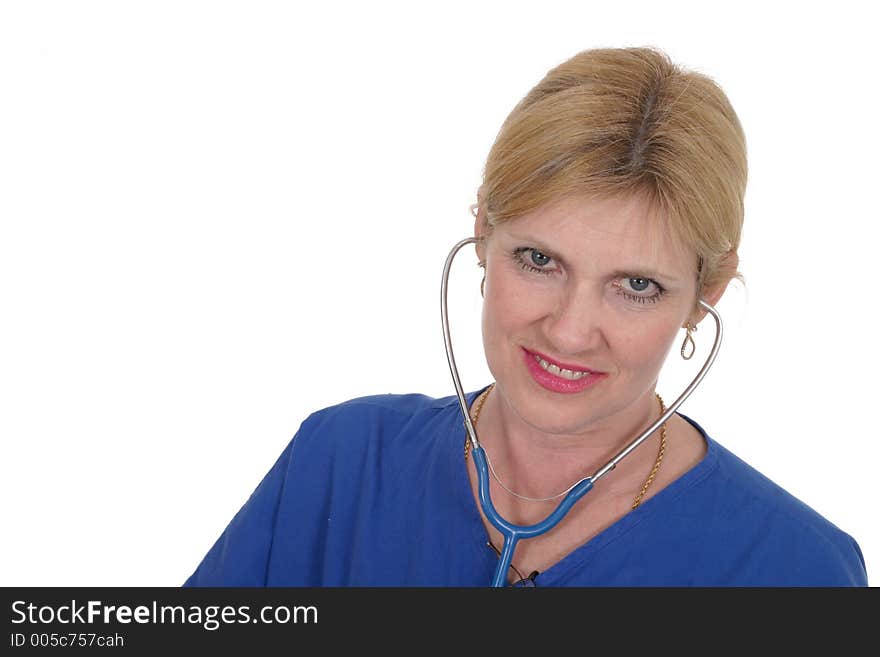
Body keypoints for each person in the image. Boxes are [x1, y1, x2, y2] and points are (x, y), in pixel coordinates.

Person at [183, 46, 867, 587]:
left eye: (636, 284)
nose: (569, 331)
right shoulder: (339, 461)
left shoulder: (796, 568)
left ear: (706, 291)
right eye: (540, 259)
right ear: (482, 230)